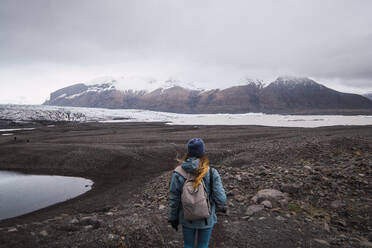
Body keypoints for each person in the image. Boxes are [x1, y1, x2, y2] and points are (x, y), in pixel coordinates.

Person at [169, 138, 227, 248]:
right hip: (206, 219)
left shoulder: (178, 172)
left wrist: (173, 217)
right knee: (203, 245)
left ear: (188, 153)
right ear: (203, 153)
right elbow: (221, 199)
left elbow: (174, 198)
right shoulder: (211, 172)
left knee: (188, 245)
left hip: (187, 218)